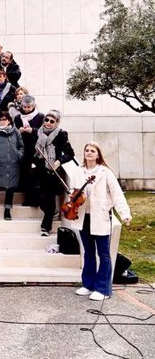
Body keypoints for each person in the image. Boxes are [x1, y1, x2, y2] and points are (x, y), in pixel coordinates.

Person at [70, 142, 132, 301]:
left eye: (92, 151)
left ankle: (103, 289)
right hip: (83, 216)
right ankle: (88, 284)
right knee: (88, 251)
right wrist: (73, 196)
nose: (89, 153)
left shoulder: (105, 172)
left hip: (100, 216)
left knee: (103, 253)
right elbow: (73, 189)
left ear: (98, 155)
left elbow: (117, 194)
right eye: (86, 150)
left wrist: (124, 213)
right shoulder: (78, 171)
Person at [33, 109, 75, 237]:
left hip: (52, 171)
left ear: (57, 123)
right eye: (47, 120)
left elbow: (70, 154)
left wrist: (58, 161)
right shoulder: (38, 133)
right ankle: (51, 212)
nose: (48, 123)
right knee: (40, 199)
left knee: (49, 199)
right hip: (38, 170)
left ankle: (46, 226)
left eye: (52, 121)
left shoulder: (61, 135)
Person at [0, 112, 24, 221]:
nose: (2, 121)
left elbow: (21, 146)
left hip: (12, 164)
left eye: (5, 119)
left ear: (9, 120)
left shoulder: (16, 132)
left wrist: (19, 155)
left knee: (10, 187)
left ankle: (7, 210)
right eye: (1, 119)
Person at [14, 95, 45, 206]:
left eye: (29, 107)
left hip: (36, 150)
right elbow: (14, 133)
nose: (26, 109)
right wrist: (19, 131)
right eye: (25, 107)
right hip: (23, 149)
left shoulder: (41, 117)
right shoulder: (18, 118)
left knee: (36, 175)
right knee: (25, 175)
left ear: (34, 106)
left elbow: (44, 133)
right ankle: (28, 198)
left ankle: (36, 200)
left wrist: (32, 130)